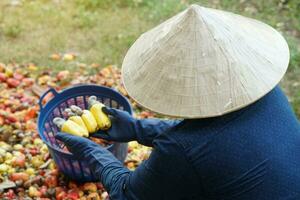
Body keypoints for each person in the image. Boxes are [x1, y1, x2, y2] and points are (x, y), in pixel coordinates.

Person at [56, 4, 300, 200]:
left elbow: (127, 193)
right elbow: (210, 140)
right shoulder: (268, 95)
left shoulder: (179, 151)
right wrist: (138, 129)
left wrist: (92, 152)